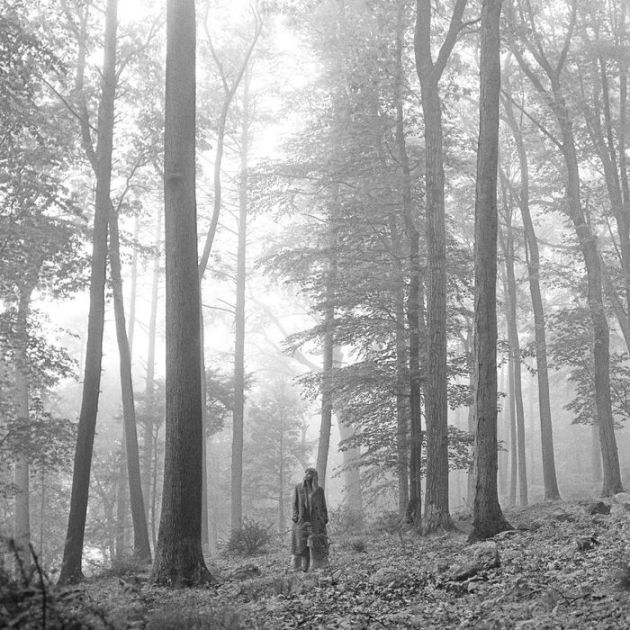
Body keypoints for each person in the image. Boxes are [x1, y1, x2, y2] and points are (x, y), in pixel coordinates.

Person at [291, 467, 329, 571]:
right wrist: (295, 516)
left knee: (316, 543)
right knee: (300, 545)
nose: (307, 475)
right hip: (302, 521)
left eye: (310, 473)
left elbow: (323, 505)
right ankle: (300, 568)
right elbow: (294, 504)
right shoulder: (298, 488)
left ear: (314, 476)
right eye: (306, 473)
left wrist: (324, 518)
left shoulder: (319, 490)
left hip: (316, 521)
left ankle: (318, 567)